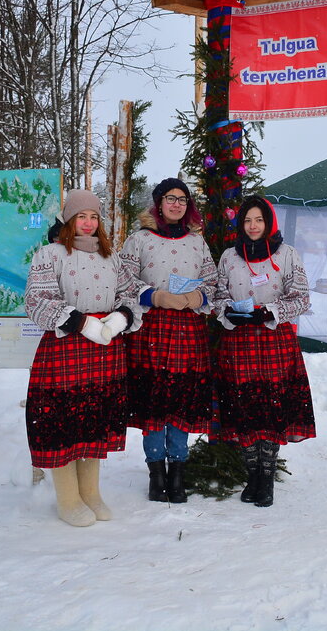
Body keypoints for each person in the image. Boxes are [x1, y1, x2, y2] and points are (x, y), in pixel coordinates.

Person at [24, 189, 138, 527]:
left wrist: (121, 318)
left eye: (93, 217)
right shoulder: (50, 254)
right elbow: (36, 300)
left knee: (94, 420)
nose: (87, 223)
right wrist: (79, 321)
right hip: (67, 346)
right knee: (65, 424)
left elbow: (130, 294)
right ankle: (68, 499)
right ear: (68, 220)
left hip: (104, 348)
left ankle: (91, 493)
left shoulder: (111, 256)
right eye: (81, 216)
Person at [213, 196, 315, 508]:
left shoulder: (287, 254)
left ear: (268, 223)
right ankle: (252, 474)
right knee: (244, 408)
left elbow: (302, 298)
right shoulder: (230, 257)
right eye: (247, 221)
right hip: (239, 342)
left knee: (270, 408)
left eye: (258, 220)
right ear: (241, 225)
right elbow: (218, 294)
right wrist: (226, 312)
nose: (253, 226)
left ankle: (267, 477)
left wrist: (269, 311)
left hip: (273, 341)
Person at [119, 177, 217, 504]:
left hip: (188, 329)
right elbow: (123, 280)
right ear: (158, 203)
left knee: (182, 399)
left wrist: (195, 298)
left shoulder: (196, 242)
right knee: (154, 401)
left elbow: (214, 282)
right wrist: (154, 295)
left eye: (182, 199)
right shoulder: (140, 240)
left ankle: (178, 470)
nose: (176, 204)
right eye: (170, 198)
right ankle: (155, 472)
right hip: (152, 328)